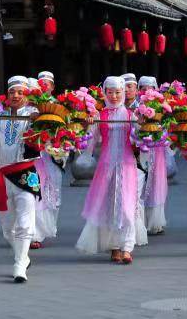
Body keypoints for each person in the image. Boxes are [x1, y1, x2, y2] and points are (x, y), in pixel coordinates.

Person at [76, 76, 141, 264]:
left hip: (127, 165)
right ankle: (113, 246)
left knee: (127, 206)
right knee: (109, 206)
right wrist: (87, 124)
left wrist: (143, 124)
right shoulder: (100, 115)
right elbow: (89, 141)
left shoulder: (131, 115)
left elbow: (139, 139)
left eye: (118, 92)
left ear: (123, 93)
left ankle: (127, 247)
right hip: (106, 166)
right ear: (104, 93)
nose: (114, 96)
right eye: (110, 92)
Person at [0, 76, 40, 282]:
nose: (15, 95)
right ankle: (23, 258)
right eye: (12, 92)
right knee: (8, 229)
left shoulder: (35, 115)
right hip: (2, 175)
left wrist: (41, 120)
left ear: (27, 95)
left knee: (25, 224)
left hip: (25, 174)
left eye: (20, 92)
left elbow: (52, 129)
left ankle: (19, 265)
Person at [29, 75, 63, 249]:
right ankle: (26, 231)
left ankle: (36, 232)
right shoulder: (21, 110)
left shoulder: (54, 107)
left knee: (42, 193)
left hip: (44, 159)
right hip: (24, 159)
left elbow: (61, 131)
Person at [137, 76, 169, 235]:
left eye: (150, 88)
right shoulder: (136, 107)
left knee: (156, 183)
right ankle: (140, 221)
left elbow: (167, 127)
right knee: (140, 185)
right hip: (141, 149)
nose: (147, 91)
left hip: (156, 150)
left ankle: (155, 222)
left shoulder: (162, 107)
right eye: (143, 88)